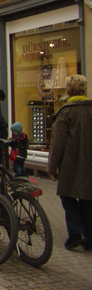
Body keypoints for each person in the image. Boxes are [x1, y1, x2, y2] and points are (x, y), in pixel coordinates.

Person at [47, 74, 92, 251]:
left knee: (68, 198)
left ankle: (76, 233)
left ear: (68, 91)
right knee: (88, 201)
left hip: (70, 164)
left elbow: (58, 143)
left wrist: (51, 167)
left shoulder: (66, 113)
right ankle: (89, 238)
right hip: (89, 164)